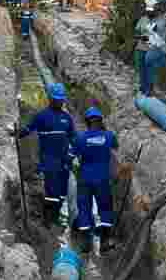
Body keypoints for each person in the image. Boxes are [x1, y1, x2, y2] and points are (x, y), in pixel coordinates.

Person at [12, 82, 75, 223]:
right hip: (49, 160)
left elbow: (74, 138)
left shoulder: (67, 118)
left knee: (62, 192)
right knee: (52, 192)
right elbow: (28, 129)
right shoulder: (41, 116)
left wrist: (72, 154)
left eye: (61, 100)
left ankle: (57, 217)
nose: (59, 102)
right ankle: (48, 220)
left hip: (64, 161)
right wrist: (16, 133)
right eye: (56, 99)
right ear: (50, 99)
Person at [71, 106, 118, 250]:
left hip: (84, 178)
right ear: (100, 121)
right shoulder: (109, 136)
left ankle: (86, 243)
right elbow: (115, 146)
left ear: (86, 122)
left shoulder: (80, 138)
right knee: (105, 208)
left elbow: (71, 155)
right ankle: (104, 242)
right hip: (102, 179)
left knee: (84, 208)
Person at [133, 0, 166, 97]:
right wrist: (141, 37)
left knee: (150, 67)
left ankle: (150, 89)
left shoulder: (162, 19)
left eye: (151, 11)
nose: (149, 13)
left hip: (153, 49)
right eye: (148, 11)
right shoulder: (143, 19)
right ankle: (143, 88)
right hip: (141, 48)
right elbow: (136, 33)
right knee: (141, 69)